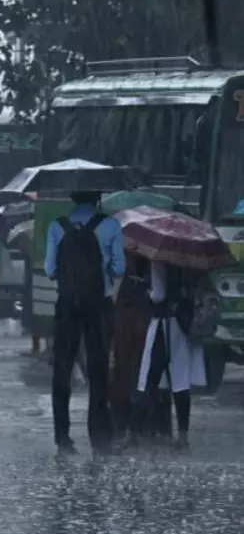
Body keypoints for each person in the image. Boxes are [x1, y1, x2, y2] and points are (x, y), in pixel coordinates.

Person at [45, 189, 125, 453]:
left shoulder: (58, 227)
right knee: (98, 369)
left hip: (67, 304)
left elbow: (50, 270)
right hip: (98, 305)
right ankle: (99, 436)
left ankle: (62, 437)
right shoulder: (111, 225)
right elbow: (119, 269)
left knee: (62, 369)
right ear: (98, 198)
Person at [139, 259, 205, 450]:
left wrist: (147, 292)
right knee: (181, 381)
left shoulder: (158, 260)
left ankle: (139, 430)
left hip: (162, 323)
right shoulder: (185, 260)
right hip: (181, 323)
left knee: (148, 378)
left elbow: (158, 295)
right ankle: (183, 434)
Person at [110, 250, 159, 442]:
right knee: (139, 372)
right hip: (140, 320)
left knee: (127, 371)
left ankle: (127, 426)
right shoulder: (152, 263)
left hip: (130, 321)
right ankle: (139, 426)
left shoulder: (122, 270)